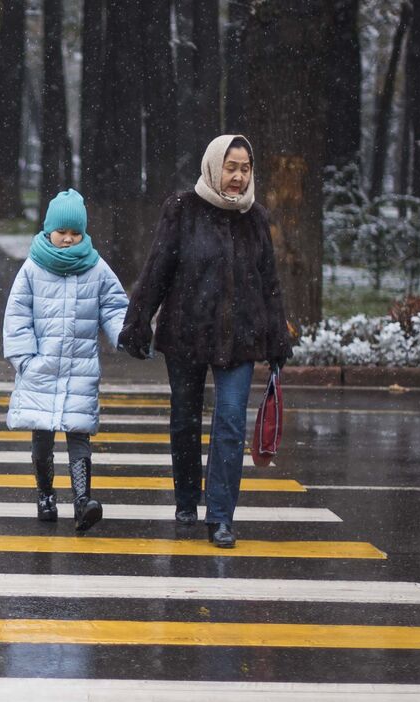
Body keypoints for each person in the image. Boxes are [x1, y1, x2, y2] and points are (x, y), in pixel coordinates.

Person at [118, 134, 292, 549]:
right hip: (186, 333)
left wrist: (277, 338)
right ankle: (185, 499)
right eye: (231, 167)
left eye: (245, 168)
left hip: (241, 338)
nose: (238, 176)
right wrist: (138, 322)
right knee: (185, 419)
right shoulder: (181, 209)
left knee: (230, 422)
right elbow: (158, 267)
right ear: (215, 166)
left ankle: (220, 517)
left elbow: (269, 284)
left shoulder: (256, 218)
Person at [4, 190, 130, 533]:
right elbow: (17, 315)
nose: (69, 239)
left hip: (79, 368)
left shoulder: (97, 267)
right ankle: (45, 494)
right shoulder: (32, 267)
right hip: (40, 368)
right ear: (48, 231)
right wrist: (25, 360)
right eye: (62, 232)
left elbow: (115, 308)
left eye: (75, 233)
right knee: (42, 436)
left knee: (79, 434)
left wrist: (125, 336)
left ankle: (82, 500)